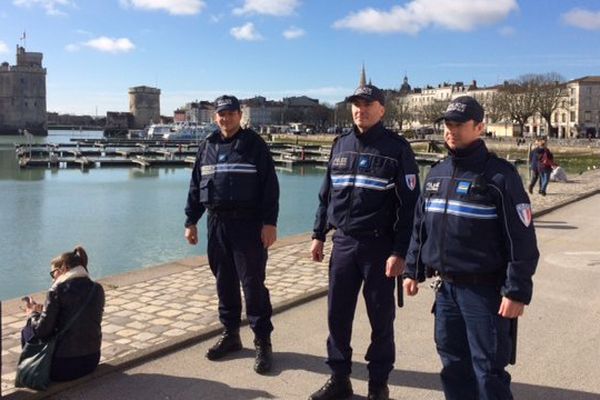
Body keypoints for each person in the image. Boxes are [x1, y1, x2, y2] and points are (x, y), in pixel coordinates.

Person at [403, 96, 539, 400]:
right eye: (447, 124)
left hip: (485, 292)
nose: (450, 131)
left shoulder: (499, 177)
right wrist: (413, 269)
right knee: (453, 365)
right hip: (447, 290)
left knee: (488, 371)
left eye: (458, 125)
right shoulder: (436, 175)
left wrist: (516, 290)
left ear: (479, 127)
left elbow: (522, 238)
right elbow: (420, 226)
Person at [309, 84, 420, 400]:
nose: (361, 110)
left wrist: (401, 252)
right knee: (337, 317)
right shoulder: (340, 145)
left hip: (379, 248)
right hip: (343, 245)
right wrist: (318, 235)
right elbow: (326, 196)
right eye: (356, 105)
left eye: (368, 104)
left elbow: (410, 207)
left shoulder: (397, 149)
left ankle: (377, 385)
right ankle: (339, 378)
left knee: (381, 320)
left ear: (382, 109)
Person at [184, 95, 279, 374]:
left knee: (252, 285)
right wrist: (191, 221)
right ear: (216, 117)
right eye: (220, 114)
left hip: (248, 225)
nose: (225, 119)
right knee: (224, 282)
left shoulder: (254, 145)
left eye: (230, 114)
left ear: (240, 115)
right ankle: (231, 334)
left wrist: (269, 223)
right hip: (217, 224)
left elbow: (269, 187)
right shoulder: (208, 146)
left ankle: (262, 340)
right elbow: (195, 185)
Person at [21, 246, 105, 382]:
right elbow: (82, 319)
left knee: (28, 331)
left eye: (53, 273)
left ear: (64, 269)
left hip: (64, 367)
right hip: (91, 360)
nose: (52, 278)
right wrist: (43, 311)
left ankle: (33, 373)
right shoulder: (97, 288)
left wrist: (32, 314)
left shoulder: (56, 290)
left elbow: (41, 331)